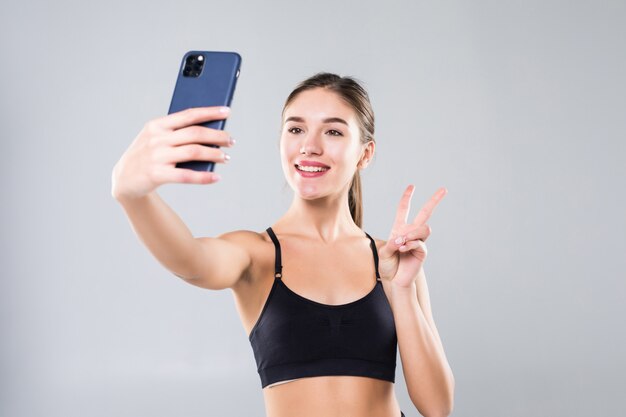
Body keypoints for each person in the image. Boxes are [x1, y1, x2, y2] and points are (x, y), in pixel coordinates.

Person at [111, 73, 455, 417]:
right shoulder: (256, 254)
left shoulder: (393, 263)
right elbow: (190, 260)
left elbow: (437, 407)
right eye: (296, 129)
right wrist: (133, 196)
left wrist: (403, 290)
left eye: (333, 131)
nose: (310, 145)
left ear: (365, 154)